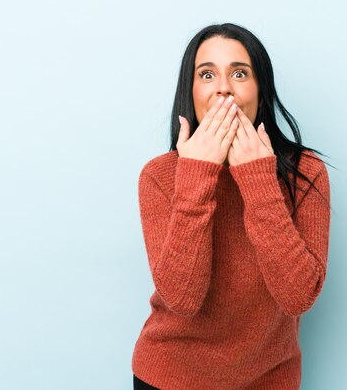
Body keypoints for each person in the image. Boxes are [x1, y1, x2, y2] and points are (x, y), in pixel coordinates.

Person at [131, 23, 331, 389]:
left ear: (260, 89)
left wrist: (257, 178)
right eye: (207, 74)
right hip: (169, 377)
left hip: (269, 380)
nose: (223, 87)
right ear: (190, 92)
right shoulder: (159, 176)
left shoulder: (307, 173)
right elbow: (183, 297)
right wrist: (196, 174)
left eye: (240, 73)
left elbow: (297, 296)